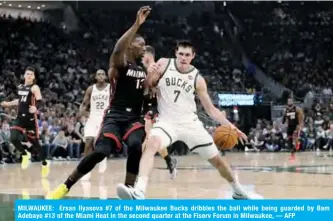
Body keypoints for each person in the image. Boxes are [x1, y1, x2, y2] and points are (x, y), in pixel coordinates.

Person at [117, 40, 255, 200]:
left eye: (187, 55)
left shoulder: (197, 78)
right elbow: (149, 86)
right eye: (181, 53)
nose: (183, 57)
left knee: (217, 161)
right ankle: (139, 191)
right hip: (167, 122)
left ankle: (237, 190)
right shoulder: (163, 64)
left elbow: (211, 110)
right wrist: (150, 73)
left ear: (193, 56)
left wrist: (233, 127)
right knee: (151, 145)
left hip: (190, 124)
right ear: (176, 53)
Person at [46, 6, 152, 199]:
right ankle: (65, 186)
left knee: (136, 145)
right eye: (141, 44)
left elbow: (146, 95)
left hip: (134, 118)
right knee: (100, 152)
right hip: (114, 116)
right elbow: (118, 48)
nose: (144, 47)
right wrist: (137, 24)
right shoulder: (120, 64)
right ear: (130, 46)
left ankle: (128, 190)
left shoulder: (144, 71)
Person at [0, 67, 49, 178]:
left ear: (34, 77)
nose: (29, 75)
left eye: (31, 74)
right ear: (24, 75)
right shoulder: (21, 87)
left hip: (31, 119)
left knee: (35, 143)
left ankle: (45, 163)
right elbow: (20, 100)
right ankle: (25, 154)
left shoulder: (35, 87)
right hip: (19, 118)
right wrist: (7, 104)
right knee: (12, 138)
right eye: (27, 74)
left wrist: (36, 108)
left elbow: (40, 99)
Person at [142, 45, 178, 179]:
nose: (140, 57)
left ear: (149, 55)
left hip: (159, 106)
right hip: (146, 106)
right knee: (151, 138)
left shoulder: (160, 66)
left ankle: (136, 173)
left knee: (148, 136)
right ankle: (169, 161)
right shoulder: (143, 70)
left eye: (142, 54)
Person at [79, 69, 110, 180]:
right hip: (93, 117)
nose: (101, 76)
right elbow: (83, 104)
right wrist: (83, 112)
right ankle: (85, 170)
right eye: (99, 74)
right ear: (96, 77)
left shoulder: (110, 88)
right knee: (88, 143)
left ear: (106, 76)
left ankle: (103, 159)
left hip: (105, 118)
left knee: (100, 144)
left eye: (103, 74)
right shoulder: (91, 89)